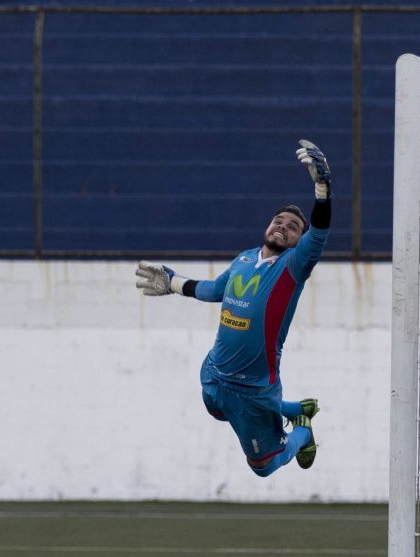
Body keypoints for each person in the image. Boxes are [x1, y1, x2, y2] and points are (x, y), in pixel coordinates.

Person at [135, 140, 332, 477]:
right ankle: (292, 408)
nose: (282, 225)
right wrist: (172, 283)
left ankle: (301, 430)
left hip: (252, 389)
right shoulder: (244, 258)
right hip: (214, 373)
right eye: (278, 220)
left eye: (292, 226)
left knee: (264, 466)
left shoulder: (293, 265)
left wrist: (322, 187)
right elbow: (214, 290)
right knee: (216, 411)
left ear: (299, 241)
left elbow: (320, 230)